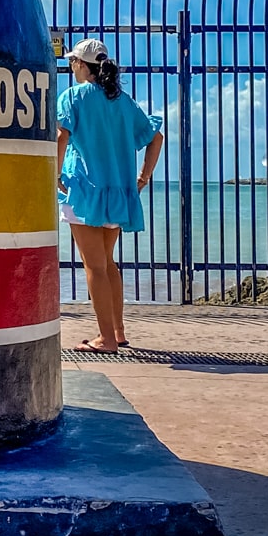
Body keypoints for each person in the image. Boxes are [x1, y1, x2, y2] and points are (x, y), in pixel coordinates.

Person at [56, 38, 164, 353]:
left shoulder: (73, 97)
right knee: (107, 263)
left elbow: (62, 137)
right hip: (118, 193)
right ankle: (117, 332)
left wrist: (55, 174)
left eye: (73, 61)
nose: (71, 66)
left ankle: (105, 340)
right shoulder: (122, 100)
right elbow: (155, 137)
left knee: (95, 267)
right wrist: (143, 176)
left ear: (81, 64)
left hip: (85, 191)